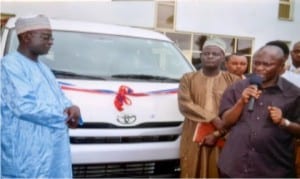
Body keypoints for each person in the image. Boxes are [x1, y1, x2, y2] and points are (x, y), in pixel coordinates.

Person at [1, 15, 82, 178]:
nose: (51, 41)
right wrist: (63, 114)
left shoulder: (44, 69)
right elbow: (24, 106)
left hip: (53, 152)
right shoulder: (9, 66)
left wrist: (73, 108)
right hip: (25, 155)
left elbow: (59, 98)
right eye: (46, 37)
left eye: (51, 37)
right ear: (26, 37)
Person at [218, 45, 300, 177]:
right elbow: (225, 123)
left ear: (281, 67)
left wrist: (283, 122)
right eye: (256, 63)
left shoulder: (294, 93)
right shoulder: (236, 88)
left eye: (267, 64)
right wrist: (240, 102)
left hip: (273, 170)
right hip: (234, 168)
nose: (259, 68)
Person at [178, 37, 240, 178]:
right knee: (192, 167)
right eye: (206, 53)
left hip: (223, 132)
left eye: (215, 54)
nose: (210, 56)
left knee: (219, 169)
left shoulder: (233, 80)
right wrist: (212, 118)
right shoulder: (188, 78)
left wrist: (220, 129)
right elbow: (185, 104)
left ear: (223, 57)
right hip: (193, 131)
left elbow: (238, 109)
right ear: (201, 56)